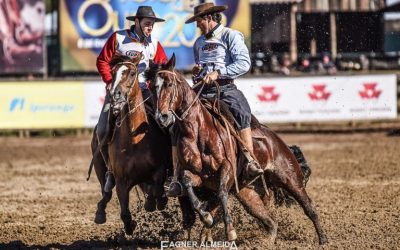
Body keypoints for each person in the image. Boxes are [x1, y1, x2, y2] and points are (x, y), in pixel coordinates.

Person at [167, 3, 263, 197]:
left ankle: (250, 160)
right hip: (202, 90)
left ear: (210, 18)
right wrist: (198, 72)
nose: (198, 26)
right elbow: (201, 70)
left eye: (199, 21)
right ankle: (177, 175)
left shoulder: (231, 36)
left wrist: (218, 73)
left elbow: (244, 63)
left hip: (225, 88)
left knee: (241, 111)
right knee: (177, 121)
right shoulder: (198, 43)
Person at [96, 6, 168, 189]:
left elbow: (163, 67)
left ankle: (168, 168)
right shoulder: (118, 38)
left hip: (144, 91)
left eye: (152, 25)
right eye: (147, 24)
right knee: (103, 129)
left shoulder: (155, 44)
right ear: (136, 22)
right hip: (118, 90)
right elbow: (102, 61)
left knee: (166, 124)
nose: (150, 28)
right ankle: (111, 170)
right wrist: (110, 81)